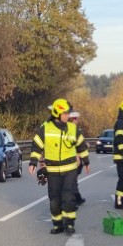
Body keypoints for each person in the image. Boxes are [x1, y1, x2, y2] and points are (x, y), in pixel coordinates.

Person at [29, 97, 90, 234]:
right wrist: (33, 162)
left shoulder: (73, 129)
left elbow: (81, 145)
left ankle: (69, 224)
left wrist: (86, 162)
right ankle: (57, 225)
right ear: (57, 113)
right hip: (53, 170)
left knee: (68, 197)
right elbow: (37, 146)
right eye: (65, 113)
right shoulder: (46, 128)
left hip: (70, 169)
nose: (68, 116)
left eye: (68, 113)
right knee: (54, 199)